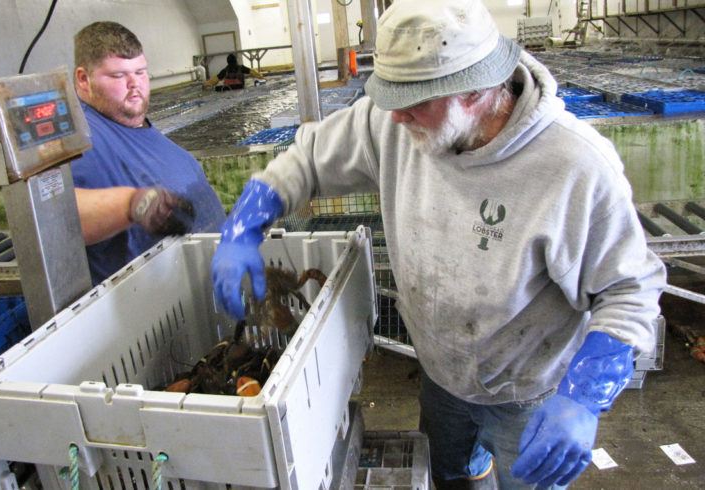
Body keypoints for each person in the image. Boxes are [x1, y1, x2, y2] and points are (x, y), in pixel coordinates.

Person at [210, 1, 667, 489]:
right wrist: (244, 225)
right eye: (391, 96)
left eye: (417, 101)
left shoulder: (575, 166)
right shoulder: (393, 122)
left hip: (530, 392)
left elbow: (628, 289)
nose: (397, 115)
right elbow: (309, 159)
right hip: (441, 375)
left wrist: (582, 396)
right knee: (450, 476)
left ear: (476, 89)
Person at [72, 21, 225, 284]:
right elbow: (58, 219)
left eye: (141, 73)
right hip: (144, 299)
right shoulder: (79, 134)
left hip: (204, 281)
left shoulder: (134, 127)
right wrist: (132, 204)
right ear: (84, 79)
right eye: (118, 76)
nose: (135, 85)